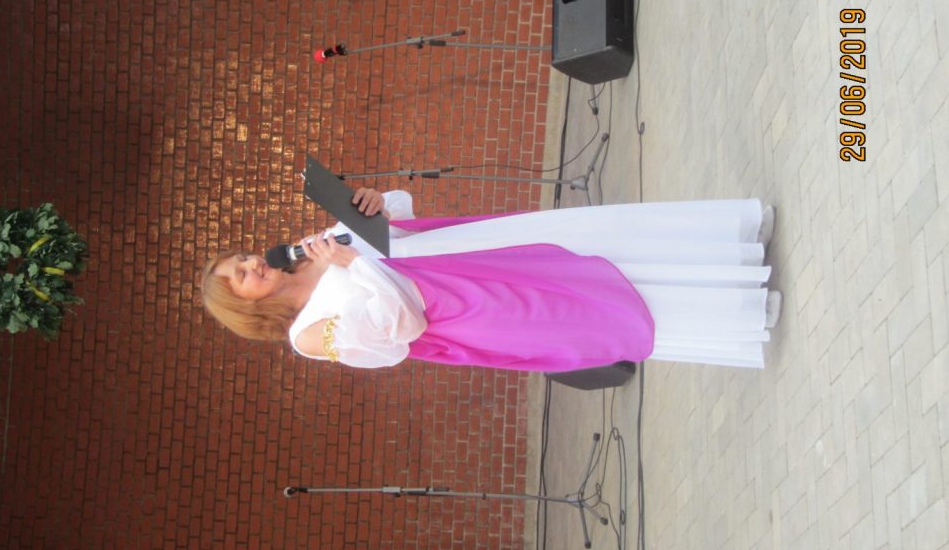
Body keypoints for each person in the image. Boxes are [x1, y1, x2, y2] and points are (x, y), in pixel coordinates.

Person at [201, 188, 780, 371]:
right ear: (244, 306)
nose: (253, 265)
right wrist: (356, 266)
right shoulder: (306, 336)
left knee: (590, 246)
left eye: (244, 259)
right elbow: (396, 332)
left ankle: (729, 256)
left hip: (471, 254)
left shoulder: (309, 250)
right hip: (466, 312)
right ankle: (735, 309)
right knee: (585, 312)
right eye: (240, 277)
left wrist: (375, 201)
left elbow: (398, 216)